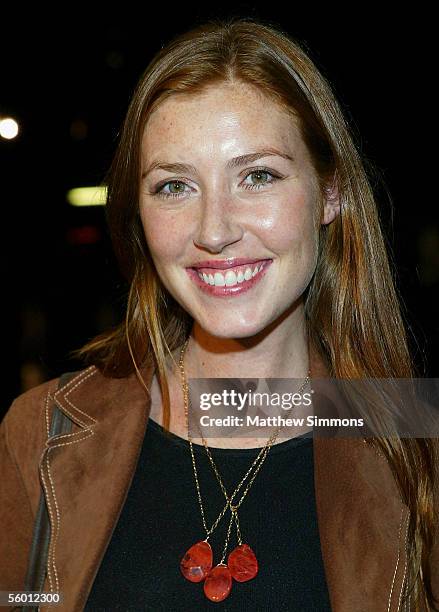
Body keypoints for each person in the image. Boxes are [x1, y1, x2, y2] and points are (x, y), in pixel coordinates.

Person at [1, 16, 438, 612]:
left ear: (330, 191)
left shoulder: (417, 444)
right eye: (174, 187)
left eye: (257, 176)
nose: (214, 231)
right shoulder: (41, 435)